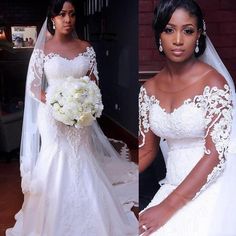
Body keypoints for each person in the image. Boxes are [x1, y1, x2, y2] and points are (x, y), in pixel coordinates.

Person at [6, 0, 138, 235]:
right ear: (52, 19)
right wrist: (58, 103)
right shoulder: (42, 50)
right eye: (62, 14)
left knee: (82, 157)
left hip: (80, 115)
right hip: (53, 116)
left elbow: (93, 82)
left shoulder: (86, 48)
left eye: (72, 14)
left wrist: (83, 102)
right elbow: (34, 86)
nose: (68, 19)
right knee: (55, 157)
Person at [139, 0, 236, 235]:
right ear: (159, 35)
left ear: (199, 35)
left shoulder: (214, 83)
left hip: (213, 185)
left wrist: (168, 206)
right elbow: (146, 149)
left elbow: (215, 153)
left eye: (188, 31)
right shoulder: (148, 89)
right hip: (172, 183)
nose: (179, 40)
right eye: (169, 30)